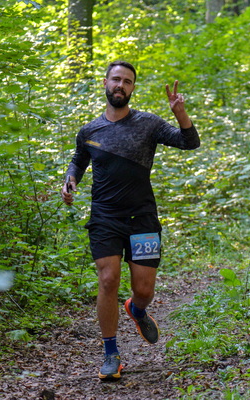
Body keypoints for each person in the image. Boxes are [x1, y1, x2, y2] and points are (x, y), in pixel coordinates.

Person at [61, 60, 200, 380]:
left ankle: (136, 310)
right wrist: (70, 182)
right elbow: (78, 162)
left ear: (133, 88)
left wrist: (180, 113)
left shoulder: (148, 124)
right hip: (105, 217)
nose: (120, 85)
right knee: (108, 279)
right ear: (105, 83)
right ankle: (111, 354)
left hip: (142, 218)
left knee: (144, 289)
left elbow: (190, 142)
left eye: (127, 81)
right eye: (116, 79)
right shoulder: (89, 131)